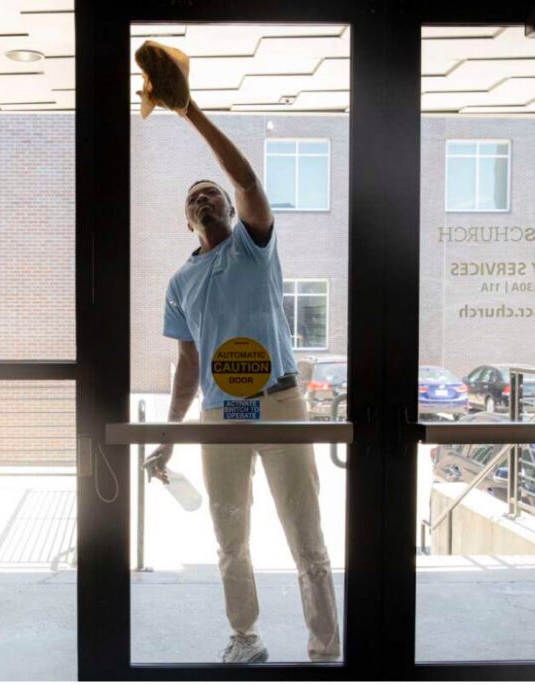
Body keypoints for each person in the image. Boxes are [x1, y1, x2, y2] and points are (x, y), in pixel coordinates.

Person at [144, 99, 341, 664]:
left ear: (232, 209)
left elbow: (248, 178)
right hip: (219, 416)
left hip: (279, 404)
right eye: (192, 198)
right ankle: (245, 638)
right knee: (230, 541)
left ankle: (325, 652)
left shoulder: (254, 246)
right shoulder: (181, 282)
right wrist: (169, 433)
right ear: (186, 221)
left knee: (307, 538)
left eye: (213, 194)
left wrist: (189, 113)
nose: (203, 198)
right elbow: (187, 365)